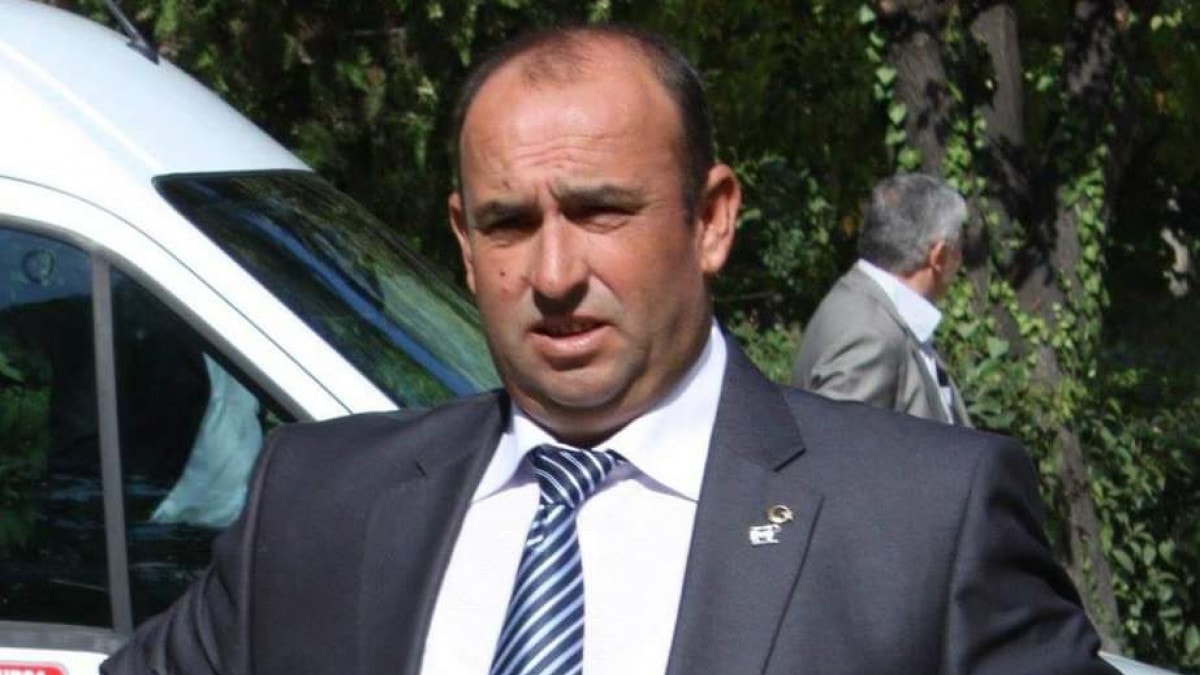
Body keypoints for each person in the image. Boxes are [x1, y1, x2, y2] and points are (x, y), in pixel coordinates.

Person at [103, 25, 1116, 675]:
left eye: (600, 212)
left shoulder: (924, 522)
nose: (553, 273)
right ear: (463, 241)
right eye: (508, 223)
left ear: (711, 219)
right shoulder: (317, 501)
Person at [793, 173, 972, 425]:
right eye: (959, 247)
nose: (960, 260)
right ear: (939, 255)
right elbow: (838, 444)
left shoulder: (873, 310)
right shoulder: (870, 332)